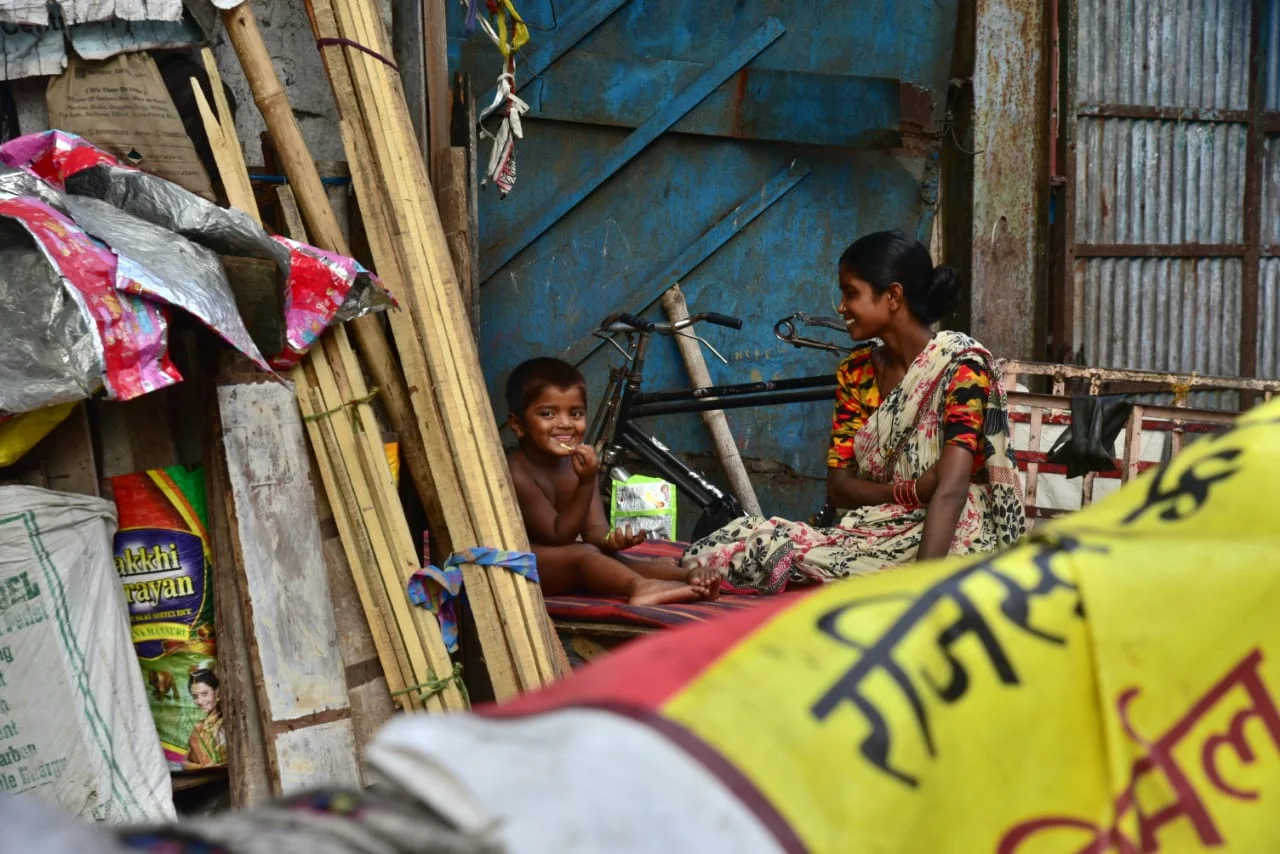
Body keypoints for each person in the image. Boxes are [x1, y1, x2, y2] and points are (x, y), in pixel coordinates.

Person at [681, 230, 1026, 592]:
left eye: (851, 293)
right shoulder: (857, 372)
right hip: (875, 526)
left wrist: (920, 594)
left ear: (893, 296)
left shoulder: (962, 366)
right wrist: (909, 492)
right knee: (737, 544)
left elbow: (950, 489)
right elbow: (840, 488)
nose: (841, 307)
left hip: (951, 532)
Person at [505, 358, 720, 605]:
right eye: (548, 414)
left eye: (575, 413)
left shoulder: (577, 464)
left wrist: (612, 539)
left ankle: (688, 576)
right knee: (585, 554)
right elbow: (557, 535)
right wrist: (586, 482)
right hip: (525, 565)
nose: (565, 423)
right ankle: (640, 587)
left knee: (614, 557)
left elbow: (594, 529)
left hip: (566, 557)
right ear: (518, 425)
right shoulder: (517, 471)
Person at [183, 667, 226, 770]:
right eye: (195, 697)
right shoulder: (199, 728)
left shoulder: (226, 723)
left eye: (205, 694)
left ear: (217, 692)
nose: (200, 701)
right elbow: (184, 763)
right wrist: (203, 767)